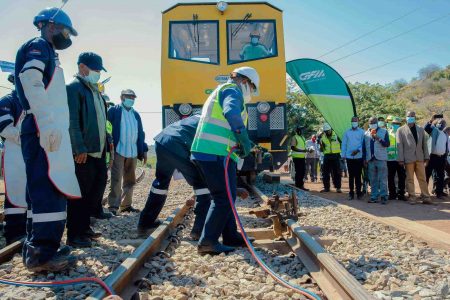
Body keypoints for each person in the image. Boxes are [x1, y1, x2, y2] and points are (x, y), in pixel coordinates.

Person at [15, 7, 80, 272]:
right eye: (65, 30)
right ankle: (42, 254)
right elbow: (31, 81)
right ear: (51, 25)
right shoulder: (39, 45)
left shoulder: (47, 51)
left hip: (45, 127)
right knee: (47, 189)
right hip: (42, 127)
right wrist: (46, 121)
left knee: (44, 189)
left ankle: (40, 248)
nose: (67, 35)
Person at [137, 115, 249, 240]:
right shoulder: (221, 132)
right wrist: (232, 189)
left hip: (163, 141)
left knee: (160, 185)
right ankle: (199, 231)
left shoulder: (206, 117)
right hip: (179, 144)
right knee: (202, 185)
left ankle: (145, 224)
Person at [191, 66, 259, 255]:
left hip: (215, 152)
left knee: (228, 196)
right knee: (222, 198)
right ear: (245, 82)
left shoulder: (223, 90)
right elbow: (231, 113)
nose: (252, 93)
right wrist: (243, 139)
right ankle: (207, 242)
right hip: (213, 152)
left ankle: (230, 235)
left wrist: (243, 141)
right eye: (252, 88)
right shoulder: (232, 90)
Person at [66, 52, 113, 248]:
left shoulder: (95, 90)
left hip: (98, 151)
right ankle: (75, 234)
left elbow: (102, 121)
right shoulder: (74, 88)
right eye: (95, 70)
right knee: (80, 194)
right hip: (84, 151)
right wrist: (78, 148)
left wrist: (108, 141)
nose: (97, 74)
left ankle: (85, 228)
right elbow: (72, 121)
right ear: (82, 67)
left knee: (95, 190)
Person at [107, 89, 148, 215]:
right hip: (118, 150)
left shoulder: (135, 114)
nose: (131, 99)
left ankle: (126, 205)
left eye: (133, 97)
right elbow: (107, 129)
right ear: (122, 97)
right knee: (117, 179)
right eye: (128, 96)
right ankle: (113, 206)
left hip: (133, 151)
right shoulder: (114, 111)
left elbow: (140, 133)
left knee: (130, 180)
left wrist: (144, 150)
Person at [0, 74, 27, 244]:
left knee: (26, 191)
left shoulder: (30, 103)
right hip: (14, 153)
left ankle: (24, 228)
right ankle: (13, 231)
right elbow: (4, 128)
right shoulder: (7, 101)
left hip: (28, 153)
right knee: (15, 190)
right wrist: (29, 138)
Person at [396, 111, 432, 204]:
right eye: (409, 116)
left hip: (420, 158)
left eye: (412, 116)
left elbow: (424, 144)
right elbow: (399, 146)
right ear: (406, 117)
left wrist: (426, 157)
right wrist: (400, 159)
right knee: (410, 179)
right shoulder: (400, 130)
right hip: (408, 158)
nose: (411, 117)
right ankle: (412, 197)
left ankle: (426, 197)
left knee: (422, 178)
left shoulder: (420, 129)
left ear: (415, 117)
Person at [363, 117, 390, 204]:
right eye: (370, 122)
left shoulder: (384, 131)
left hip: (381, 159)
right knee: (373, 179)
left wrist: (378, 138)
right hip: (370, 159)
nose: (372, 124)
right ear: (368, 123)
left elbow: (387, 144)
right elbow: (364, 147)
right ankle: (374, 196)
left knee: (382, 179)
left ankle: (384, 196)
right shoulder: (366, 133)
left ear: (377, 123)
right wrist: (365, 159)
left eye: (374, 122)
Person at [424, 116, 448, 199]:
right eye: (439, 123)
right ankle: (424, 193)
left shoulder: (445, 134)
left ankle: (439, 193)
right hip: (432, 157)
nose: (441, 124)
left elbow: (446, 147)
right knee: (427, 175)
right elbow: (426, 128)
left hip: (441, 158)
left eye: (443, 123)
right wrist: (431, 119)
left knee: (440, 176)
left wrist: (445, 158)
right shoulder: (433, 130)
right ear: (436, 124)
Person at [341, 116, 365, 200]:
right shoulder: (347, 132)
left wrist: (358, 150)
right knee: (351, 176)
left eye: (355, 121)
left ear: (358, 122)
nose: (354, 122)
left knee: (358, 176)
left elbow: (364, 144)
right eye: (353, 121)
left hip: (359, 157)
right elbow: (344, 144)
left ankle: (358, 193)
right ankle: (351, 193)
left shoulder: (362, 132)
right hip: (349, 157)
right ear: (351, 122)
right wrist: (343, 155)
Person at [318, 123, 342, 193]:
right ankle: (326, 188)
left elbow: (342, 143)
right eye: (325, 131)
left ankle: (338, 187)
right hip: (327, 156)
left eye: (328, 131)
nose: (327, 132)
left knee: (337, 172)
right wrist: (320, 144)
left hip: (336, 155)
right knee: (325, 172)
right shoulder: (322, 137)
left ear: (330, 129)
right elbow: (321, 149)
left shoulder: (337, 134)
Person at [387, 117, 406, 200]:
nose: (396, 125)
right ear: (392, 124)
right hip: (390, 159)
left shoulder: (403, 134)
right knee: (390, 177)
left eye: (398, 124)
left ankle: (401, 194)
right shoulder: (387, 133)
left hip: (400, 159)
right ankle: (392, 194)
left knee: (402, 177)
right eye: (394, 124)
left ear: (400, 125)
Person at [290, 126, 309, 190]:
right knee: (299, 171)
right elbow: (292, 147)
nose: (302, 131)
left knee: (303, 171)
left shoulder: (303, 137)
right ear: (298, 131)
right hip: (296, 157)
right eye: (301, 130)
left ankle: (300, 185)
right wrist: (302, 151)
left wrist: (307, 150)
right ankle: (298, 185)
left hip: (302, 157)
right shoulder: (294, 137)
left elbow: (303, 147)